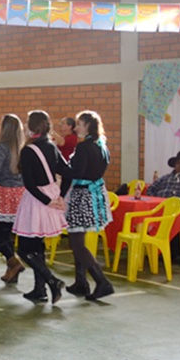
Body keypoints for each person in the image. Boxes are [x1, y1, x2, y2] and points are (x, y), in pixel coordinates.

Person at [13, 110, 71, 304]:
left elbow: (29, 183)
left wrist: (47, 201)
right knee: (38, 246)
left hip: (36, 201)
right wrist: (60, 196)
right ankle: (40, 289)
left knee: (24, 249)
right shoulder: (52, 146)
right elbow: (68, 172)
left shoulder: (28, 150)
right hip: (50, 197)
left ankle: (51, 281)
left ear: (31, 126)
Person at [63, 110, 115, 301]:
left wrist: (59, 165)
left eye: (79, 124)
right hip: (92, 195)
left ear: (88, 126)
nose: (75, 127)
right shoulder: (101, 146)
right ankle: (81, 282)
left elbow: (77, 172)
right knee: (79, 241)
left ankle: (102, 281)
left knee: (77, 243)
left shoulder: (84, 147)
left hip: (82, 196)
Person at [0, 114, 28, 284]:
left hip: (4, 192)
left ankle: (13, 261)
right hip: (19, 193)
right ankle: (11, 270)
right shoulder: (23, 147)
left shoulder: (3, 147)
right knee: (7, 233)